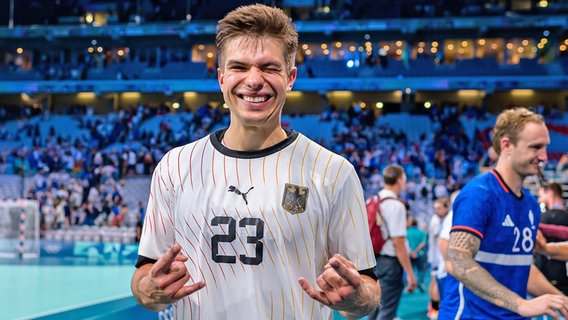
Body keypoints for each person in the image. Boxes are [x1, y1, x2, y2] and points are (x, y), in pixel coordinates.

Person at [130, 4, 380, 319]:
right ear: (221, 78)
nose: (254, 80)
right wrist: (148, 290)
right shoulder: (175, 166)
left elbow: (367, 286)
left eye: (268, 67)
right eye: (239, 67)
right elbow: (144, 275)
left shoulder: (333, 172)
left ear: (290, 78)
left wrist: (355, 297)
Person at [439, 107, 568, 319]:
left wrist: (561, 301)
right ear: (506, 145)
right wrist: (520, 304)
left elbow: (521, 270)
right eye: (535, 147)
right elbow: (457, 260)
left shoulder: (530, 205)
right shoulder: (479, 194)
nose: (544, 156)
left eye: (545, 147)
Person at [369, 164, 417, 320]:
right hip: (390, 263)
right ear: (400, 180)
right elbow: (398, 242)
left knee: (373, 308)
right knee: (387, 311)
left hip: (374, 260)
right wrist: (410, 273)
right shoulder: (396, 205)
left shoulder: (372, 199)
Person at [535, 181, 568, 295]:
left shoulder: (544, 217)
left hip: (548, 276)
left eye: (541, 195)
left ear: (549, 193)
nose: (539, 200)